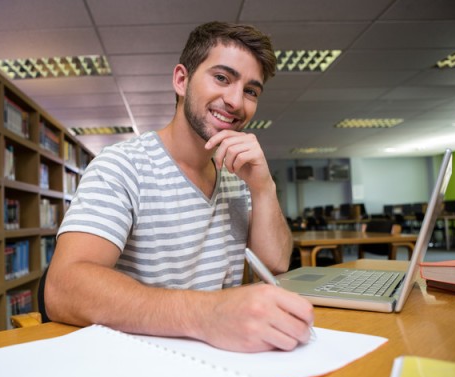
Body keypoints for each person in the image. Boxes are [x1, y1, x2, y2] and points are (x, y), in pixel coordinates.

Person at [45, 21, 314, 352]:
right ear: (181, 80)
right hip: (143, 361)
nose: (235, 101)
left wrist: (263, 187)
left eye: (250, 91)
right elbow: (63, 288)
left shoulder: (236, 178)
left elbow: (274, 265)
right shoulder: (121, 165)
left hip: (223, 356)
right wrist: (208, 314)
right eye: (222, 78)